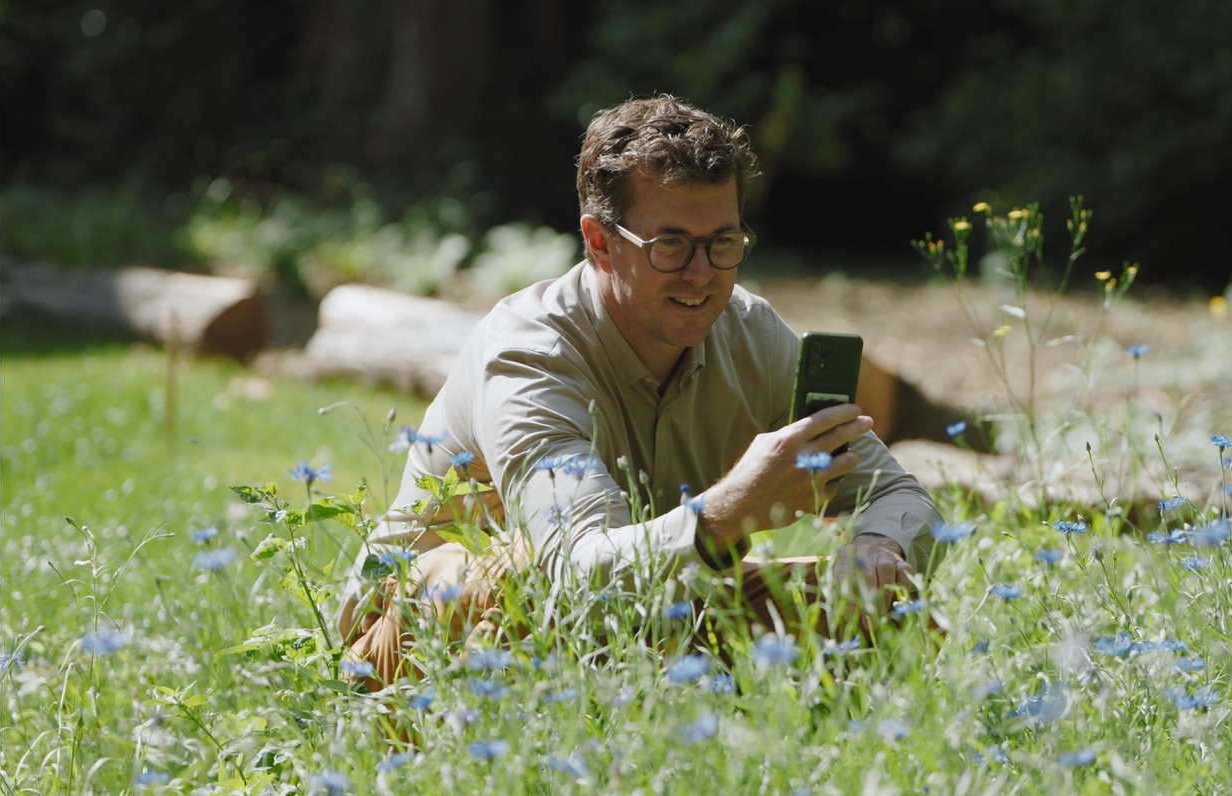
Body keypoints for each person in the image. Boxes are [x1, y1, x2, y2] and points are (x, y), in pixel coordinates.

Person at [336, 95, 942, 686]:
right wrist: (730, 510)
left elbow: (896, 493)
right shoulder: (530, 358)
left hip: (644, 609)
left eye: (723, 243)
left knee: (891, 606)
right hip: (415, 634)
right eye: (671, 245)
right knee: (519, 585)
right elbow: (576, 575)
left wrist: (876, 546)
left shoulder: (750, 332)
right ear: (600, 242)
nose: (702, 275)